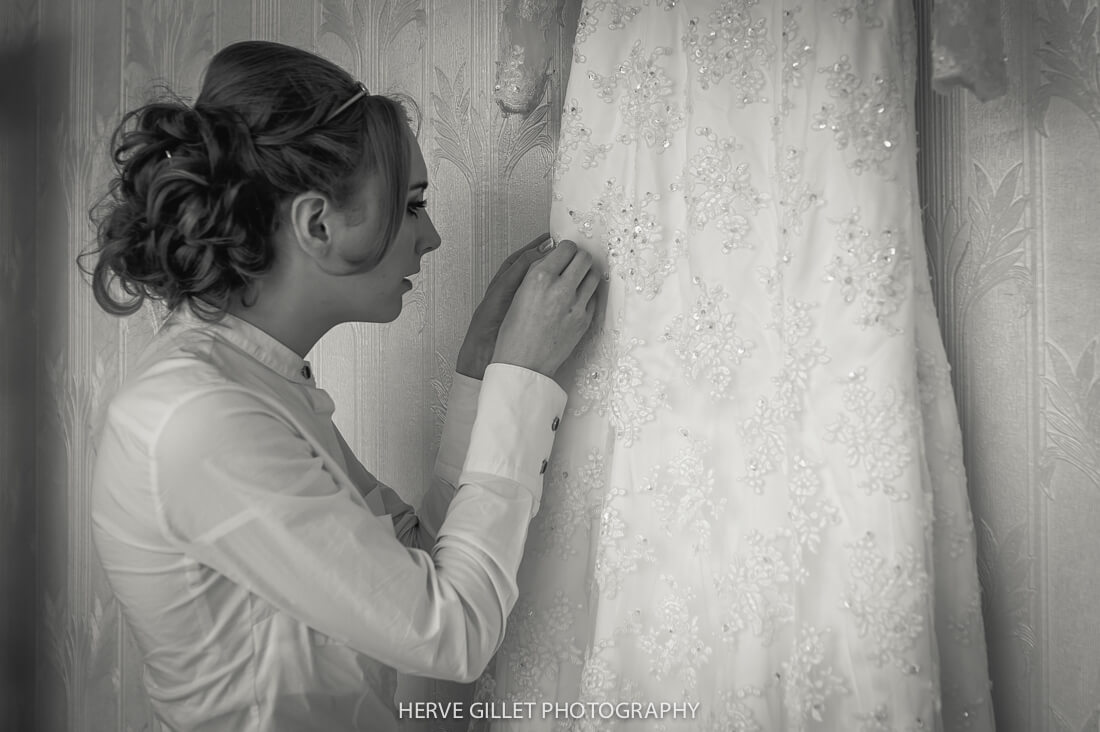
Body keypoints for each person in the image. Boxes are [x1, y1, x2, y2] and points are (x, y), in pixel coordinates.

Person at [84, 40, 600, 732]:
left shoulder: (255, 379)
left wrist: (481, 371)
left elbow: (415, 562)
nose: (434, 237)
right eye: (413, 205)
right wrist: (524, 381)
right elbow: (452, 633)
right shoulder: (199, 415)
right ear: (317, 224)